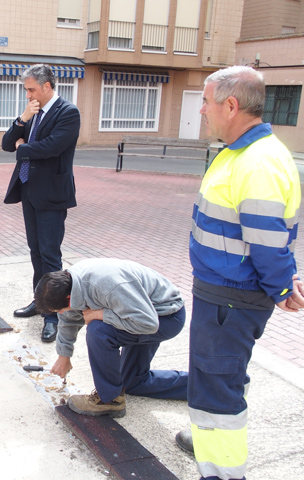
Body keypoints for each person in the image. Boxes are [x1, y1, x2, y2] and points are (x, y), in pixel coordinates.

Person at [177, 65, 304, 480]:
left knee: (216, 390)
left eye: (206, 102)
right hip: (225, 295)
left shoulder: (257, 162)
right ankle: (206, 440)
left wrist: (283, 283)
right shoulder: (241, 153)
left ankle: (222, 472)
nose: (201, 111)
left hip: (231, 298)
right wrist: (283, 281)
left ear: (230, 105)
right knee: (221, 376)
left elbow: (268, 241)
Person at [35, 258, 188, 418]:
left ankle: (110, 400)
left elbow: (148, 324)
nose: (60, 314)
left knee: (98, 330)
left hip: (165, 316)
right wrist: (63, 356)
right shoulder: (70, 285)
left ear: (68, 299)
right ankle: (203, 386)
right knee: (132, 382)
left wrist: (101, 314)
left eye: (59, 310)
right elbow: (68, 319)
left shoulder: (106, 284)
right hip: (135, 313)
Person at [1, 64, 81, 343]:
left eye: (32, 89)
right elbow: (6, 144)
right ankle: (40, 301)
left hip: (52, 194)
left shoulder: (68, 113)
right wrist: (22, 120)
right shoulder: (32, 113)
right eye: (26, 90)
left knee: (50, 255)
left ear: (47, 87)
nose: (28, 95)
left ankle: (53, 315)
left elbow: (51, 147)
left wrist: (24, 148)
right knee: (35, 251)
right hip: (29, 191)